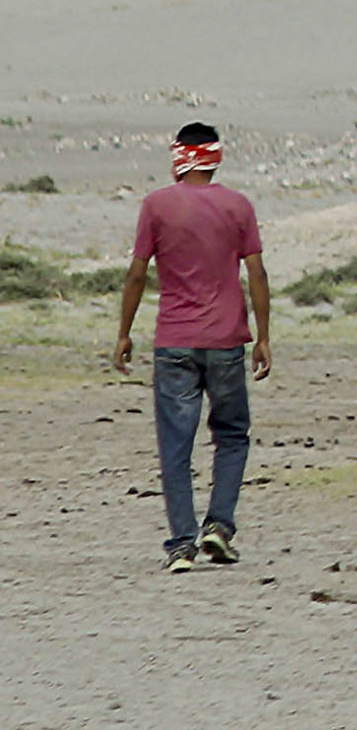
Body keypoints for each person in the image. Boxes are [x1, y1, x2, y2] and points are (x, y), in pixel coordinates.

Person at [113, 123, 271, 573]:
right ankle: (218, 527)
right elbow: (256, 274)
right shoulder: (238, 206)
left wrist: (125, 332)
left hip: (174, 339)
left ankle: (181, 544)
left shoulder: (157, 205)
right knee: (232, 436)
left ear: (179, 157)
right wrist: (263, 336)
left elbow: (138, 274)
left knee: (176, 444)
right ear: (215, 158)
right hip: (226, 340)